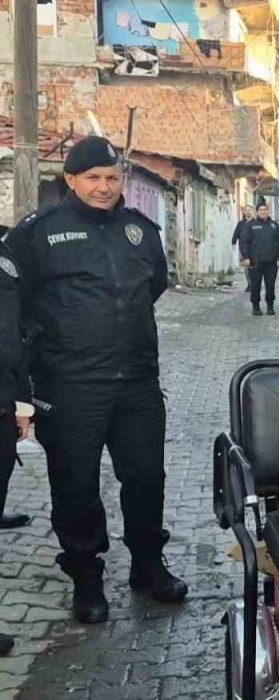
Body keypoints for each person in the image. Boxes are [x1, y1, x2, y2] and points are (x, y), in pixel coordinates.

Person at [6, 136, 188, 625]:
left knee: (147, 478)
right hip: (68, 386)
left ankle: (149, 566)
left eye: (112, 177)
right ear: (70, 180)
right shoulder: (38, 233)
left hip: (137, 383)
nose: (105, 187)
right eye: (93, 178)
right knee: (76, 485)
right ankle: (86, 577)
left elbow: (153, 285)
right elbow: (13, 305)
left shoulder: (140, 229)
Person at [0, 238, 31, 532]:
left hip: (6, 392)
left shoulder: (5, 254)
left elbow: (18, 336)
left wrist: (22, 404)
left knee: (3, 461)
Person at [239, 201, 279, 316]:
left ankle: (270, 306)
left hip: (271, 262)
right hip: (255, 261)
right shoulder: (250, 225)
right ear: (257, 212)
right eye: (260, 210)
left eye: (265, 209)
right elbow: (244, 241)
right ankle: (256, 307)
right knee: (255, 285)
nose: (263, 212)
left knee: (270, 285)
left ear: (268, 211)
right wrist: (245, 257)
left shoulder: (274, 225)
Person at [230, 206, 253, 291]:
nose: (248, 212)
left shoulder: (256, 223)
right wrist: (233, 242)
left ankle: (255, 283)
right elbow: (236, 233)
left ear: (253, 212)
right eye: (246, 210)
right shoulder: (241, 224)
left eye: (249, 210)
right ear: (244, 212)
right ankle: (249, 284)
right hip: (244, 249)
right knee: (247, 267)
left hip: (255, 249)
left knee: (254, 267)